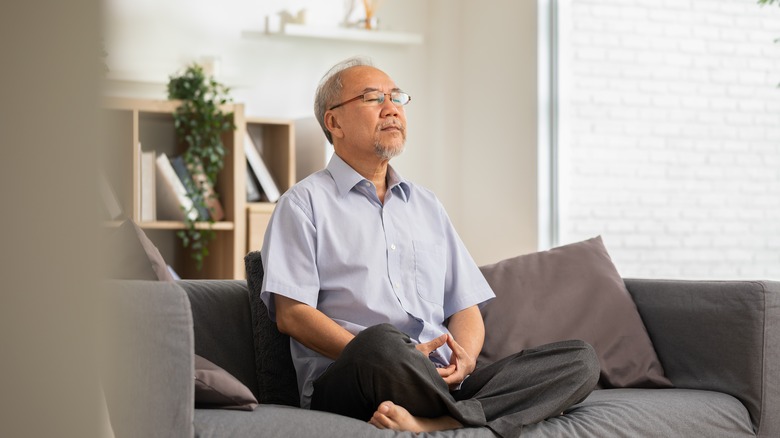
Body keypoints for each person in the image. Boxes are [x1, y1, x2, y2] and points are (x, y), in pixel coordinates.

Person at [260, 56, 599, 437]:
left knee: (579, 360)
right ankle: (468, 411)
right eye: (373, 99)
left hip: (440, 378)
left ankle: (442, 420)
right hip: (361, 375)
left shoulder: (426, 205)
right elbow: (292, 314)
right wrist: (395, 356)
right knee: (383, 341)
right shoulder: (302, 204)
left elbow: (465, 305)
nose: (391, 109)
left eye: (396, 98)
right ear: (333, 122)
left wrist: (467, 360)